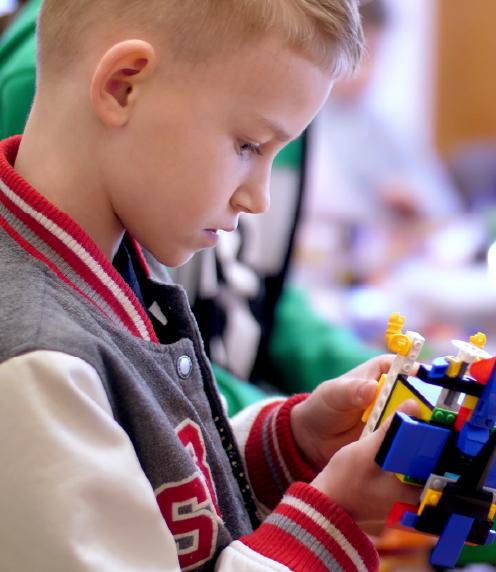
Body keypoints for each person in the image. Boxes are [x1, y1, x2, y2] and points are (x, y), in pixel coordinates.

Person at [0, 0, 420, 570]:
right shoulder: (34, 359)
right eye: (249, 146)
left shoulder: (121, 266)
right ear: (124, 87)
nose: (259, 198)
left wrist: (290, 444)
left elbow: (159, 476)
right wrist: (330, 517)